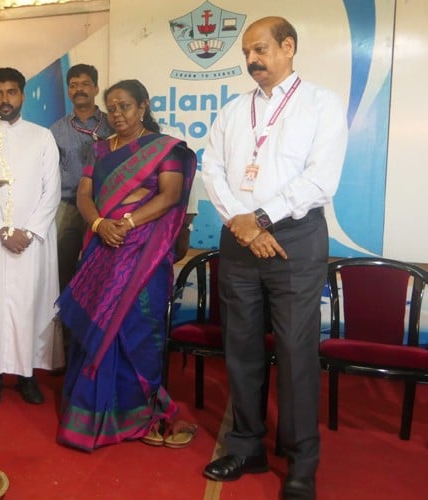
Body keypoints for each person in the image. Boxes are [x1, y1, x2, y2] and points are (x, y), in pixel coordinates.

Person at [201, 17, 347, 500]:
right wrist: (242, 222)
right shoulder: (232, 111)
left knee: (295, 351)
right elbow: (213, 167)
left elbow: (319, 179)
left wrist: (260, 217)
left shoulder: (322, 105)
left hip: (295, 240)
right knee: (240, 347)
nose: (251, 60)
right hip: (239, 239)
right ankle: (246, 446)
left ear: (288, 47)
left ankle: (302, 459)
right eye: (246, 53)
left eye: (260, 49)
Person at [56, 79, 198, 452]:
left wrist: (128, 223)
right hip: (102, 246)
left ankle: (142, 412)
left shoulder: (166, 148)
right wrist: (101, 224)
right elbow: (84, 195)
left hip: (143, 253)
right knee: (97, 325)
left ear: (143, 106)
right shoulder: (97, 150)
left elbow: (169, 196)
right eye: (113, 108)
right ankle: (94, 410)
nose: (118, 114)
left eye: (126, 107)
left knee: (139, 329)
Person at [0, 67, 64, 406]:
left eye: (11, 92)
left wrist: (29, 230)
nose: (4, 99)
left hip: (32, 240)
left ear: (22, 95)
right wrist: (0, 229)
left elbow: (52, 191)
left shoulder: (42, 136)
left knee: (31, 306)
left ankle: (27, 375)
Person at [50, 64, 113, 291]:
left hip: (104, 209)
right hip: (67, 207)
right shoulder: (56, 130)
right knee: (60, 269)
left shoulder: (112, 124)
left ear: (96, 88)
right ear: (68, 91)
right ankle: (61, 324)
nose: (79, 89)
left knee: (100, 270)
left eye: (85, 84)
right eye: (73, 85)